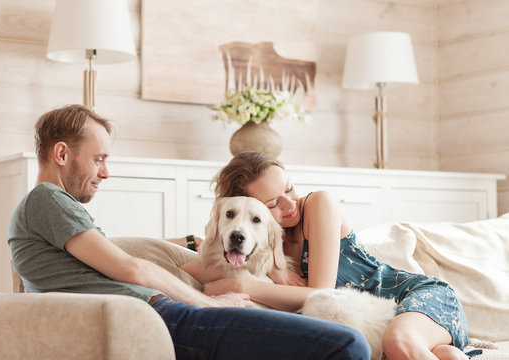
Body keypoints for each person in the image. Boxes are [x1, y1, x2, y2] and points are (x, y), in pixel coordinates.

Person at [8, 104, 370, 360]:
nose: (105, 172)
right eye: (99, 158)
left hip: (168, 314)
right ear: (61, 154)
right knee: (349, 345)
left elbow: (37, 273)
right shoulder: (45, 200)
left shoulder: (48, 210)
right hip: (173, 318)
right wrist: (208, 304)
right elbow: (133, 269)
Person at [193, 151, 469, 360]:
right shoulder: (259, 241)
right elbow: (194, 262)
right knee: (430, 353)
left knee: (398, 342)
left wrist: (243, 285)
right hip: (369, 326)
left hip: (413, 296)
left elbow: (321, 293)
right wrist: (271, 269)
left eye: (288, 188)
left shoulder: (317, 204)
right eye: (273, 203)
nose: (290, 204)